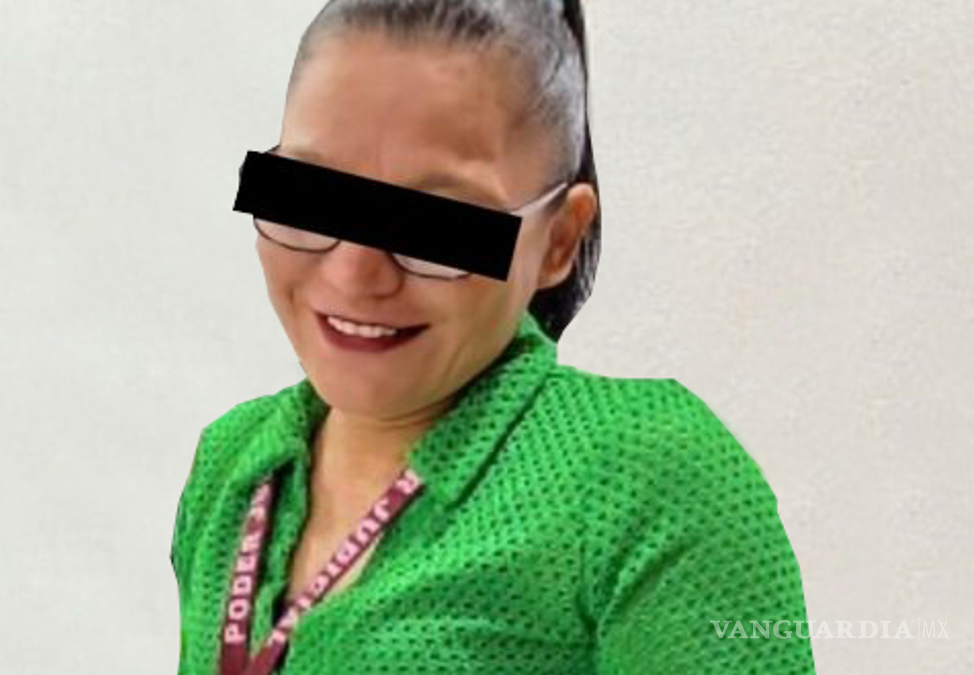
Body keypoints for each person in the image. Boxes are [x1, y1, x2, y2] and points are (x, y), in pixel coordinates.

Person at [172, 1, 816, 673]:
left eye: (436, 223)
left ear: (559, 240)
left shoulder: (646, 476)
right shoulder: (234, 461)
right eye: (312, 194)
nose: (355, 271)